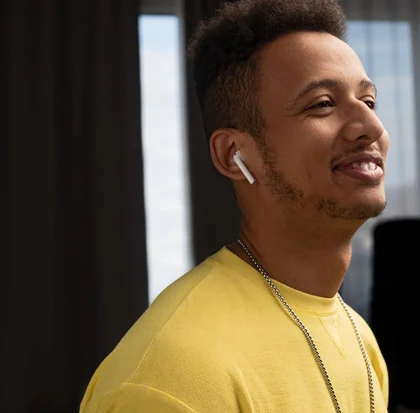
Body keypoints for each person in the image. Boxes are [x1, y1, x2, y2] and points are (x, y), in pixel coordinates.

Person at [80, 0, 390, 411]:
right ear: (233, 154)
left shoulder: (359, 338)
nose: (371, 127)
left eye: (368, 102)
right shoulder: (169, 377)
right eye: (322, 104)